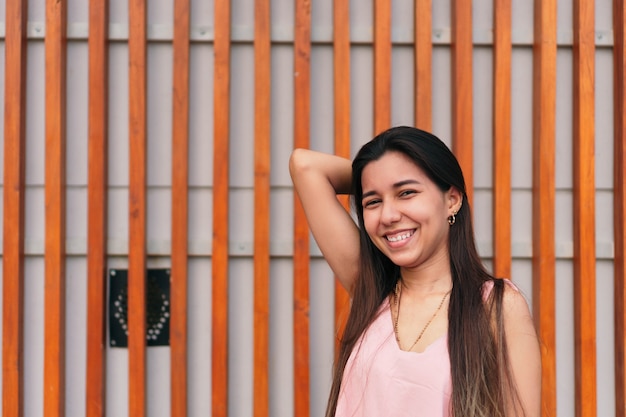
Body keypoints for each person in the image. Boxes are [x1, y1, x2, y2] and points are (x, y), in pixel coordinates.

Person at [289, 126, 541, 417]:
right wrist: (376, 174)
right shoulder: (372, 289)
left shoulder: (497, 306)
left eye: (407, 193)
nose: (388, 215)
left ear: (452, 200)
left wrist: (384, 179)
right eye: (373, 201)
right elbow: (304, 165)